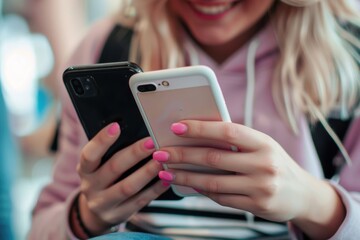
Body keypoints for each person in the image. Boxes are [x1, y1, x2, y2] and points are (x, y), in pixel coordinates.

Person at [29, 0, 360, 239]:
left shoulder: (350, 63)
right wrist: (86, 217)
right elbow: (40, 227)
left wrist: (314, 203)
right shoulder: (103, 47)